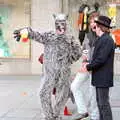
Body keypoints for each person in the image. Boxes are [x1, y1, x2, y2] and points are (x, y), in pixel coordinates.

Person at [13, 13, 81, 120]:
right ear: (55, 24)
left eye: (63, 23)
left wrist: (68, 60)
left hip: (63, 73)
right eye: (58, 23)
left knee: (62, 95)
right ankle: (49, 116)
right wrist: (25, 31)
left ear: (66, 24)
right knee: (43, 93)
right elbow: (37, 35)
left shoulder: (70, 38)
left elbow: (78, 51)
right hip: (50, 72)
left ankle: (56, 115)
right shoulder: (50, 36)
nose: (60, 26)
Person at [71, 12, 100, 120]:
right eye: (91, 22)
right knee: (74, 86)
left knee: (93, 95)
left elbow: (100, 56)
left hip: (96, 68)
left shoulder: (102, 36)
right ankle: (83, 111)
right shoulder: (88, 36)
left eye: (95, 21)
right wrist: (84, 59)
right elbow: (85, 49)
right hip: (86, 66)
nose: (93, 24)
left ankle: (95, 117)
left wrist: (89, 63)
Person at [86, 15, 115, 120]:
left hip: (103, 77)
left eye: (96, 27)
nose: (94, 29)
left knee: (104, 104)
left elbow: (100, 59)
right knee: (100, 104)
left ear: (100, 27)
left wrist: (88, 67)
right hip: (99, 77)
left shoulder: (107, 40)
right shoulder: (102, 39)